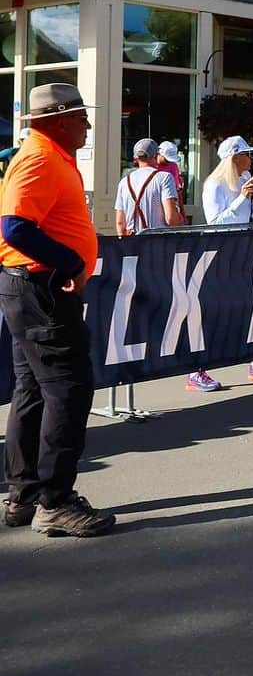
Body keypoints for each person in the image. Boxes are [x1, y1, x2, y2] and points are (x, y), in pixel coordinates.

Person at [0, 84, 115, 537]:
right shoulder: (41, 157)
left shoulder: (46, 155)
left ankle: (25, 493)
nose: (88, 125)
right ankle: (54, 499)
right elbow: (14, 226)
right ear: (60, 120)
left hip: (30, 286)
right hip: (40, 287)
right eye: (82, 117)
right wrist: (69, 261)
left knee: (33, 388)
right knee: (68, 388)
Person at [189, 136, 253, 391]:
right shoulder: (215, 185)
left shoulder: (245, 181)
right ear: (235, 157)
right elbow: (216, 223)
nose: (250, 158)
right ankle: (198, 369)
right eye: (246, 154)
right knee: (216, 311)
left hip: (246, 251)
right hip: (221, 254)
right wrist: (242, 199)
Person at [115, 138, 184, 236]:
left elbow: (120, 223)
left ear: (136, 158)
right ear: (156, 155)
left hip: (131, 244)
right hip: (157, 242)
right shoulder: (164, 178)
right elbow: (170, 218)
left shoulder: (124, 182)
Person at [156, 141, 185, 215]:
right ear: (159, 154)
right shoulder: (152, 167)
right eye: (167, 159)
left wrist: (182, 213)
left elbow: (177, 191)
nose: (169, 162)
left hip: (171, 206)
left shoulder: (173, 166)